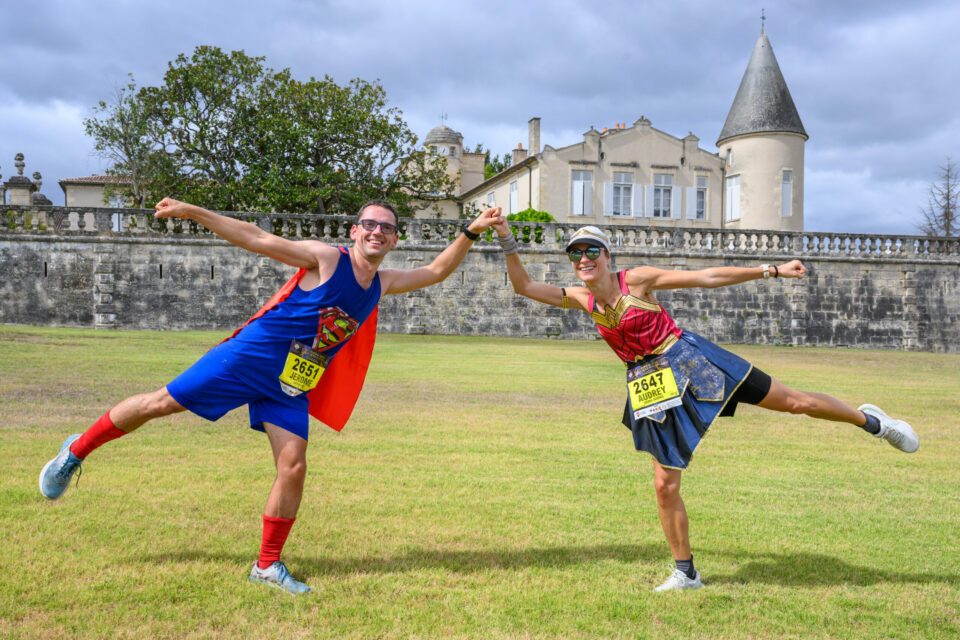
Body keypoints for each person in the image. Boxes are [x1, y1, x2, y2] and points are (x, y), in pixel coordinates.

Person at [39, 198, 504, 595]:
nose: (377, 231)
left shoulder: (382, 283)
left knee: (294, 466)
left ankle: (266, 565)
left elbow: (438, 270)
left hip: (291, 381)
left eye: (387, 227)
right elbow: (256, 238)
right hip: (248, 358)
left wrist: (470, 230)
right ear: (354, 231)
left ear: (395, 239)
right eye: (369, 224)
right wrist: (192, 211)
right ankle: (75, 450)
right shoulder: (327, 258)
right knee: (161, 404)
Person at [491, 223, 918, 592]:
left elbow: (707, 276)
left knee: (793, 402)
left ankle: (873, 422)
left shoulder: (636, 280)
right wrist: (507, 239)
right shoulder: (582, 299)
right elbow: (525, 287)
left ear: (606, 256)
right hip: (650, 386)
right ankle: (685, 572)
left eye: (591, 251)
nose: (583, 258)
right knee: (664, 484)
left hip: (692, 361)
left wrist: (771, 269)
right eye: (576, 254)